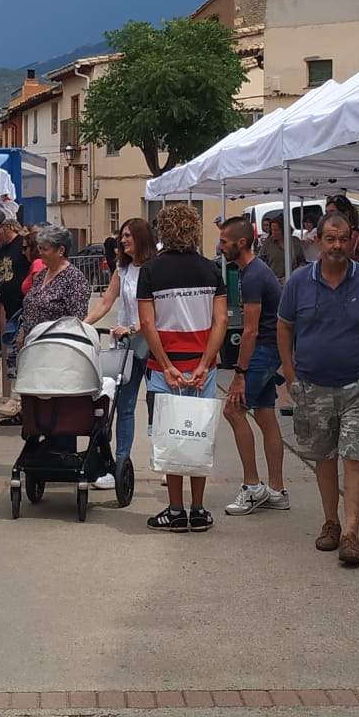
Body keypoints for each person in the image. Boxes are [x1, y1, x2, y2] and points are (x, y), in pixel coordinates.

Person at [277, 212, 359, 567]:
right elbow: (284, 327)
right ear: (318, 241)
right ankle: (331, 521)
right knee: (324, 457)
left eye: (343, 239)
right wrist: (291, 373)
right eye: (330, 239)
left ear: (351, 241)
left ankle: (352, 533)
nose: (337, 245)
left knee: (355, 455)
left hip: (358, 384)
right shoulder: (298, 282)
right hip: (312, 386)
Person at [138, 203, 225, 534]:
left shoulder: (150, 271)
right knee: (198, 436)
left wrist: (166, 365)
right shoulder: (211, 270)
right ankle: (199, 509)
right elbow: (220, 321)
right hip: (202, 366)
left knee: (171, 437)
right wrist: (204, 363)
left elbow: (148, 323)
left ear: (164, 231)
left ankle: (175, 510)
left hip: (166, 366)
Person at [218, 215, 289, 515]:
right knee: (264, 414)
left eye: (224, 242)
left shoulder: (252, 275)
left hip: (263, 350)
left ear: (241, 242)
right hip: (270, 349)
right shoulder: (256, 271)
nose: (220, 247)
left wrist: (240, 374)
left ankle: (253, 487)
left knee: (233, 410)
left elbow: (250, 330)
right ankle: (276, 490)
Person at [88, 217, 154, 484]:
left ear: (141, 237)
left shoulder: (154, 268)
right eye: (122, 236)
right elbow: (106, 302)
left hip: (153, 341)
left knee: (158, 401)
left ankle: (163, 458)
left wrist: (136, 328)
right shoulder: (122, 269)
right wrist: (81, 324)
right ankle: (120, 466)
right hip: (127, 344)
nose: (124, 240)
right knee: (123, 406)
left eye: (128, 235)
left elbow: (159, 308)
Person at [13, 224, 89, 344]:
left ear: (61, 251)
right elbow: (30, 307)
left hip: (56, 348)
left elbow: (77, 321)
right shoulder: (42, 274)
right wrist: (22, 332)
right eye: (39, 248)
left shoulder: (74, 279)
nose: (40, 253)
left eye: (44, 249)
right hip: (32, 345)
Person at [0, 217, 29, 412]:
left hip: (23, 308)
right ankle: (15, 400)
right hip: (8, 308)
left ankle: (19, 400)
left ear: (7, 228)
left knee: (21, 356)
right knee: (12, 357)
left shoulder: (22, 245)